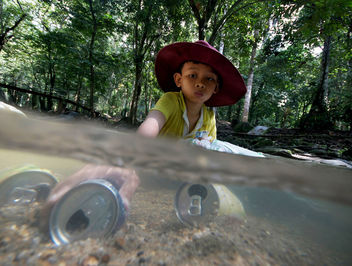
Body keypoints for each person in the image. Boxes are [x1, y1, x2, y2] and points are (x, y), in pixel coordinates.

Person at [41, 40, 262, 227]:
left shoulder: (209, 117)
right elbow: (150, 127)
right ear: (178, 80)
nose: (200, 83)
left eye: (209, 79)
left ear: (216, 88)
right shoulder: (171, 101)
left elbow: (209, 152)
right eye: (192, 75)